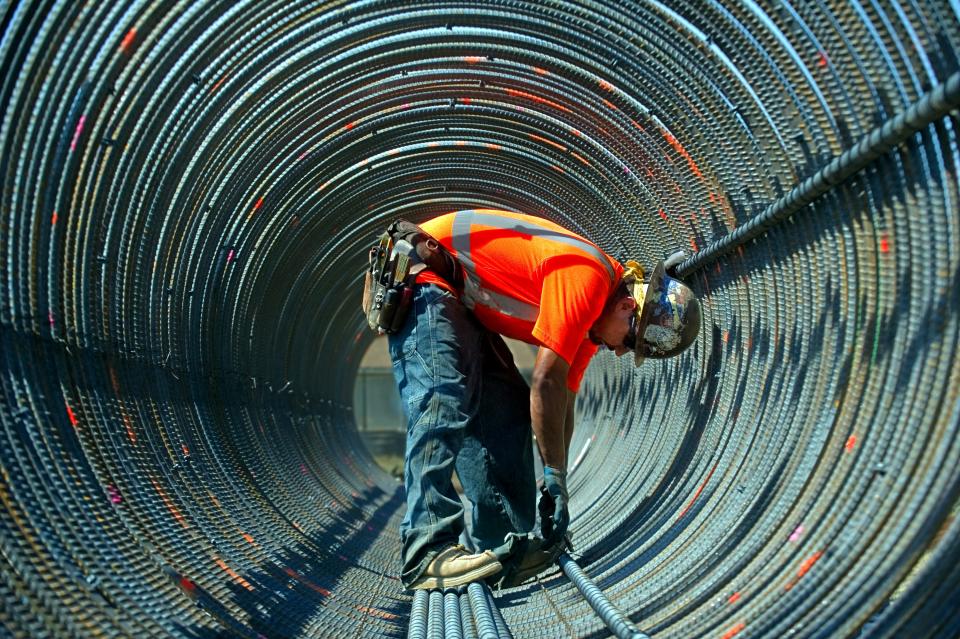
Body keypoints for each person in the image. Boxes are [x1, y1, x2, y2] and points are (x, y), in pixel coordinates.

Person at [386, 208, 701, 590]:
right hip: (427, 278)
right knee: (443, 399)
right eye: (631, 341)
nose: (620, 352)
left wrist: (559, 481)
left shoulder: (593, 323)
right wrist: (551, 477)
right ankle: (428, 551)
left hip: (458, 299)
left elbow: (563, 398)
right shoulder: (588, 279)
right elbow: (546, 382)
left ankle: (503, 547)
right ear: (627, 307)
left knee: (506, 411)